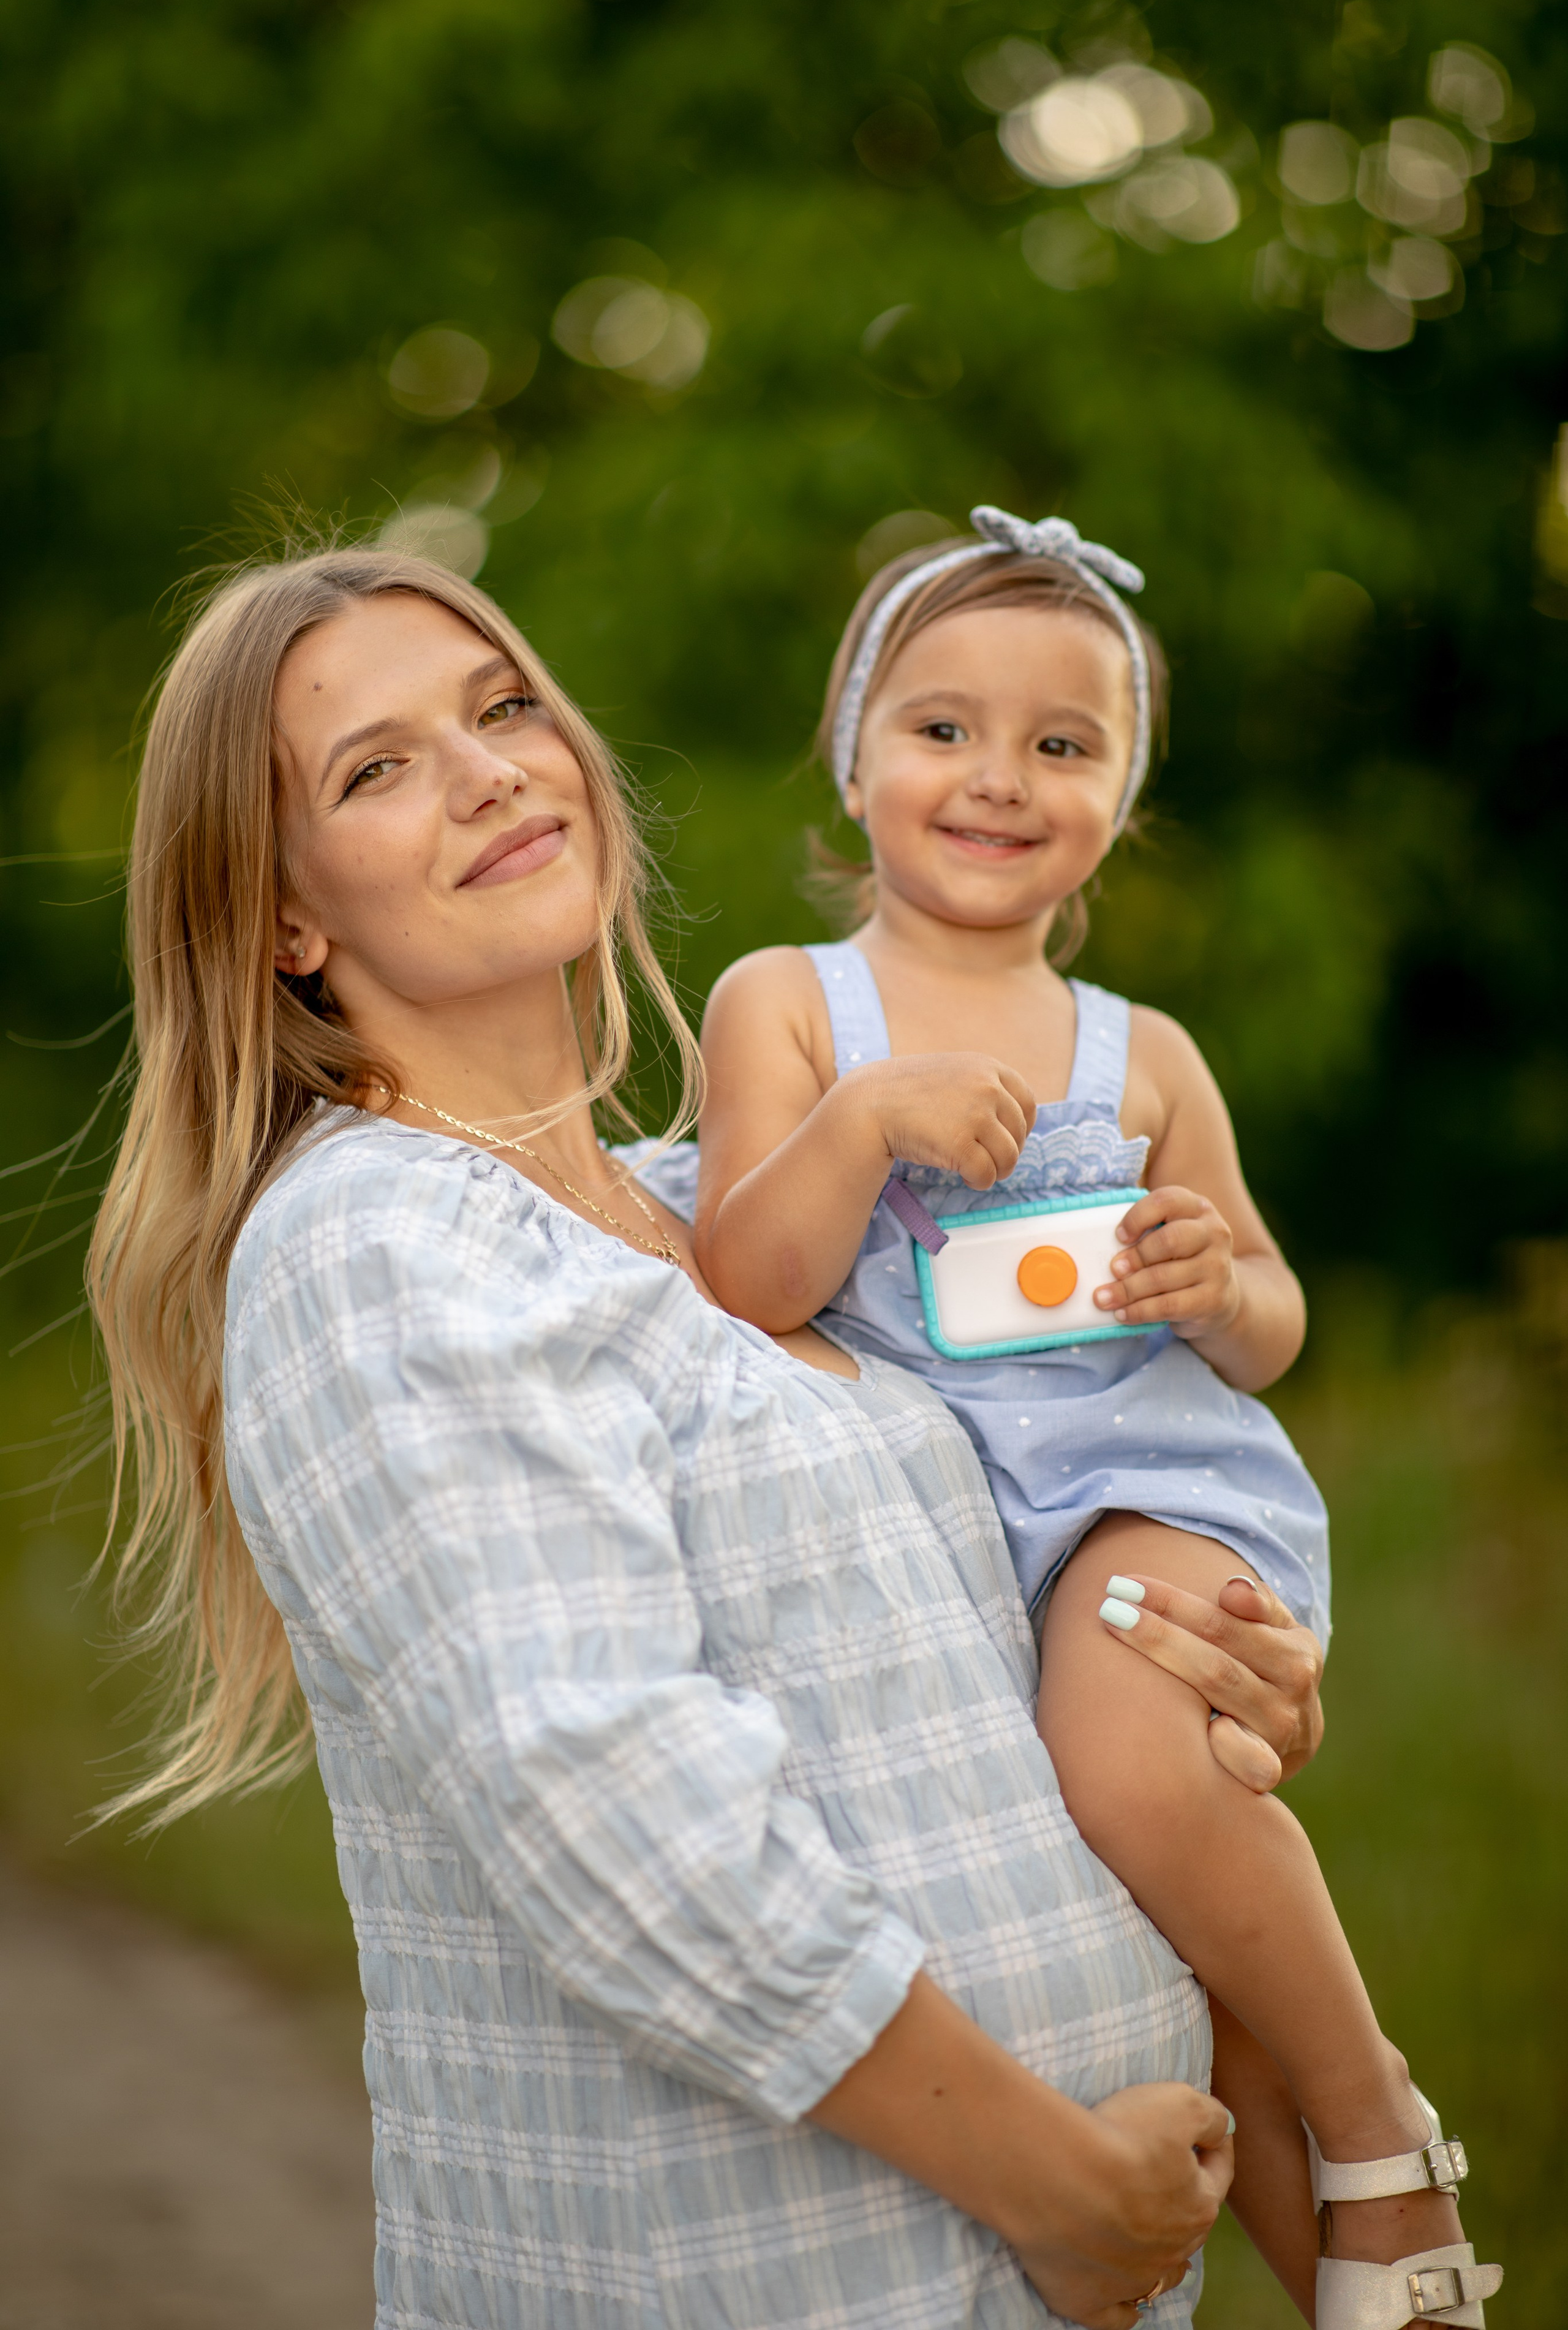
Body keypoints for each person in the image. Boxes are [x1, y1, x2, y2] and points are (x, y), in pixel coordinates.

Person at [85, 543, 1336, 2330]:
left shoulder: (724, 1222)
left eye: (505, 707)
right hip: (772, 2280)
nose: (491, 770)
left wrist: (1200, 1664)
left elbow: (967, 1625)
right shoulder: (380, 1243)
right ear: (286, 918)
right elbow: (616, 1811)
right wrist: (1056, 2191)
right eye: (377, 768)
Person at [694, 509, 1502, 2330]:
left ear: (1121, 802)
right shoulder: (790, 1007)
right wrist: (865, 1122)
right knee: (1187, 1979)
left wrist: (1218, 1279)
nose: (1000, 779)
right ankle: (1378, 2280)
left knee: (1145, 1770)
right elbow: (745, 1270)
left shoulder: (1142, 1053)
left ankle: (1381, 2131)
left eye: (1063, 746)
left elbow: (1271, 1326)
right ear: (856, 761)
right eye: (944, 729)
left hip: (1139, 1482)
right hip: (958, 1535)